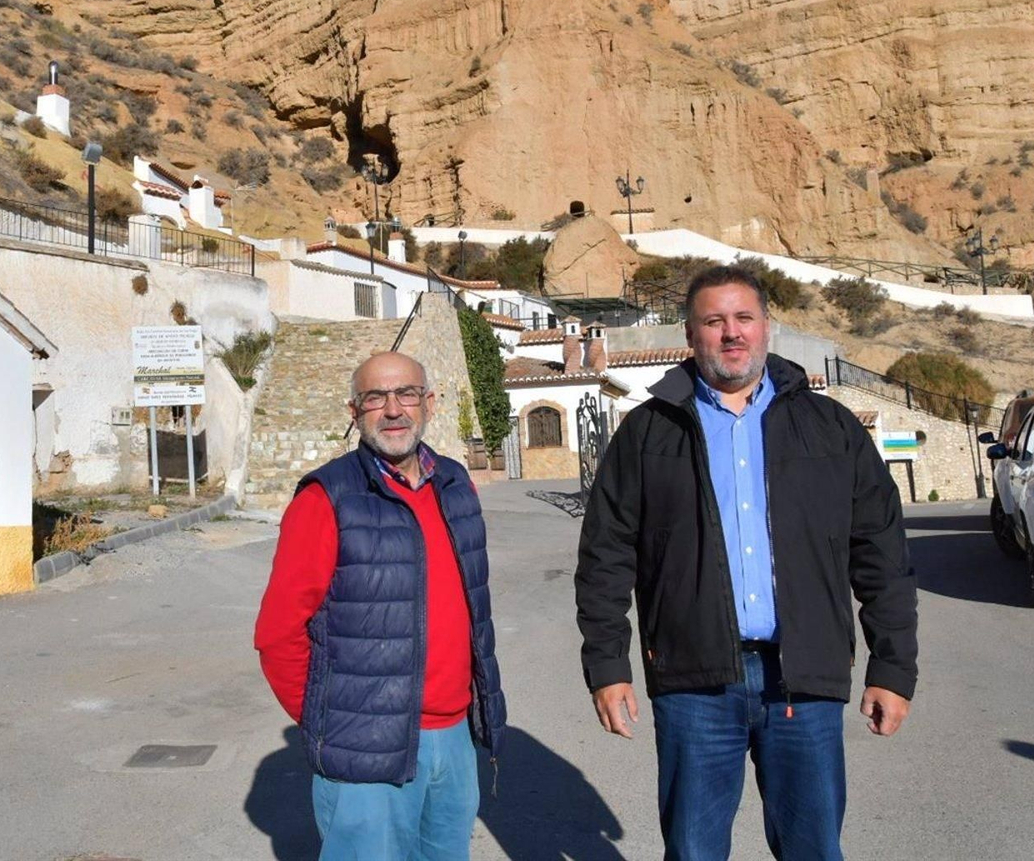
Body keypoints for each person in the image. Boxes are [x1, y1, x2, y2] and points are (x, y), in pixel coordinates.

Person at [575, 265, 918, 861]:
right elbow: (605, 557)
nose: (731, 333)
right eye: (714, 321)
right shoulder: (648, 433)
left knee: (813, 850)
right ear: (691, 334)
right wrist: (607, 667)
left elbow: (881, 555)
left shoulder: (830, 428)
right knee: (694, 851)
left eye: (743, 318)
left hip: (803, 682)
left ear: (766, 327)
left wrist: (893, 667)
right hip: (694, 685)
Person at [255, 351, 507, 860]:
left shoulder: (456, 484)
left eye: (406, 393)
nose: (393, 409)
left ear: (429, 403)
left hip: (455, 738)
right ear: (355, 411)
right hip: (365, 748)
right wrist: (331, 721)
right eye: (375, 398)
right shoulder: (326, 499)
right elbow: (279, 634)